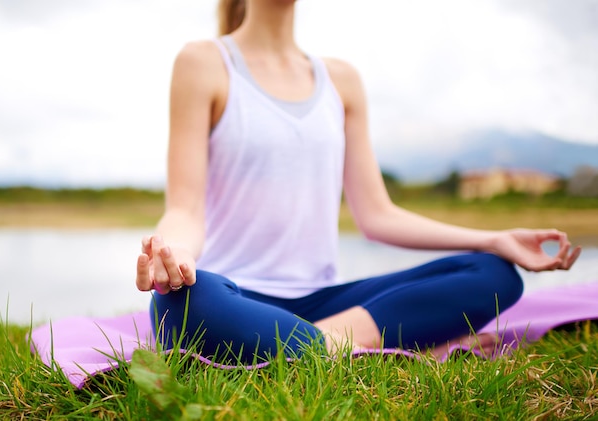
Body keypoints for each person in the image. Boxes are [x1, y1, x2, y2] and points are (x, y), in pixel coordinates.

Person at [135, 0, 581, 364]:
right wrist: (174, 255)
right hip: (236, 298)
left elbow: (377, 214)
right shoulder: (203, 62)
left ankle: (314, 347)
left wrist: (494, 238)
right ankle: (376, 350)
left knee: (493, 274)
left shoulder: (341, 80)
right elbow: (185, 208)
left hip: (329, 301)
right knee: (181, 306)